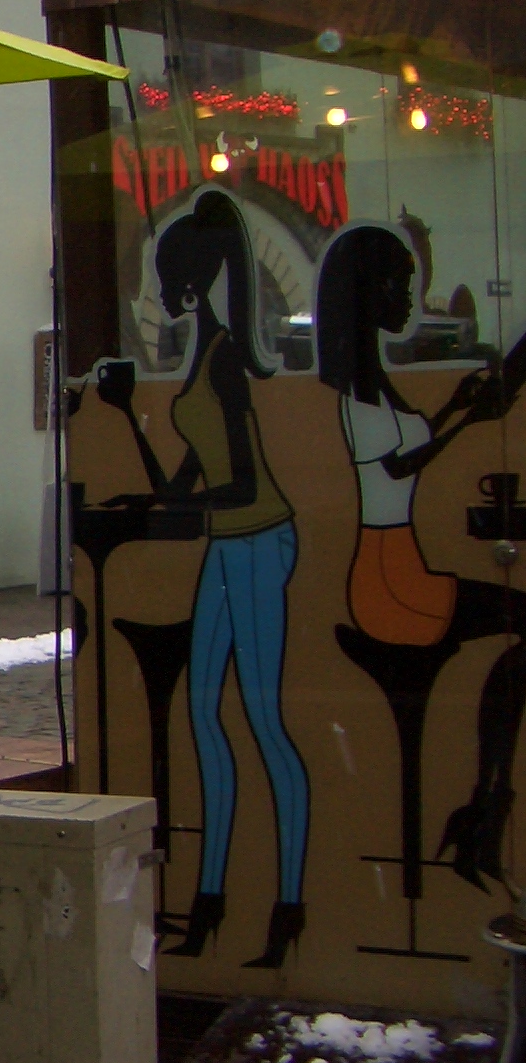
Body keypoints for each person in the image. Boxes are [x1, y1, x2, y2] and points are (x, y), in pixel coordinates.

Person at [95, 190, 310, 966]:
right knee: (204, 719)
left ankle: (288, 907)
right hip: (228, 545)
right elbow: (190, 476)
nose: (162, 292)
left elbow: (243, 483)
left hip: (257, 542)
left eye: (168, 278)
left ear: (193, 282)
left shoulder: (224, 364)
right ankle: (210, 902)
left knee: (263, 723)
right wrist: (137, 452)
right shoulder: (205, 355)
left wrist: (177, 501)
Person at [314, 218, 524, 888]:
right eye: (399, 285)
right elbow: (398, 468)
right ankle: (483, 808)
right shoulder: (353, 392)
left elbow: (404, 450)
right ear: (366, 292)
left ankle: (484, 807)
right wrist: (465, 421)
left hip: (400, 566)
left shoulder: (372, 381)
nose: (409, 298)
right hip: (389, 580)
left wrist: (460, 407)